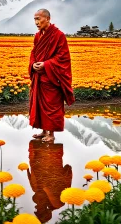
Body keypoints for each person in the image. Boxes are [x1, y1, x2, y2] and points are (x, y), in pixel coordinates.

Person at [29, 9, 75, 142]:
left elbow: (63, 57)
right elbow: (34, 53)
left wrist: (46, 64)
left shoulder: (58, 35)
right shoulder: (38, 36)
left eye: (39, 19)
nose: (36, 22)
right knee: (39, 104)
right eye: (35, 20)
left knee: (52, 106)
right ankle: (43, 131)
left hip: (52, 77)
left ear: (48, 19)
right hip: (39, 77)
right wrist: (33, 64)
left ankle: (51, 134)